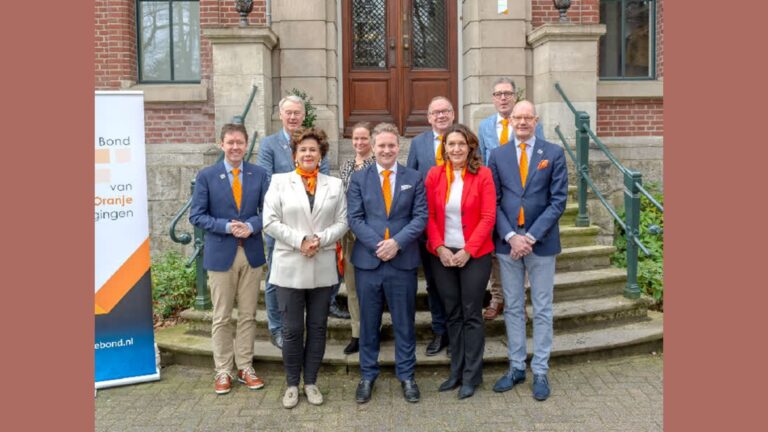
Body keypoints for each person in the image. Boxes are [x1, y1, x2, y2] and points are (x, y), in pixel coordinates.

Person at [262, 127, 348, 409]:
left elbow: (343, 222)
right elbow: (270, 221)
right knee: (291, 329)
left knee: (318, 327)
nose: (309, 154)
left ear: (321, 154)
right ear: (295, 155)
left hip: (322, 265)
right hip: (289, 265)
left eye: (314, 150)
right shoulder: (279, 181)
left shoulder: (334, 185)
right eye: (303, 150)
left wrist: (319, 240)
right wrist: (300, 240)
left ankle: (310, 382)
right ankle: (290, 384)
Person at [488, 101, 568, 401]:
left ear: (536, 120)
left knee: (543, 307)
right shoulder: (497, 155)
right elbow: (492, 201)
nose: (521, 122)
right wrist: (511, 236)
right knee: (512, 306)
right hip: (508, 244)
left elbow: (557, 201)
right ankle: (517, 366)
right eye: (517, 117)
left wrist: (530, 236)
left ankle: (541, 369)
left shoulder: (554, 153)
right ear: (510, 122)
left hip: (542, 244)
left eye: (527, 117)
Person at [347, 122, 427, 404]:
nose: (386, 150)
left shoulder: (413, 177)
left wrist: (397, 243)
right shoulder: (360, 178)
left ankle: (407, 375)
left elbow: (420, 217)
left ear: (398, 147)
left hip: (402, 261)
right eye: (381, 145)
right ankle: (368, 375)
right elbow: (354, 218)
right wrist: (378, 245)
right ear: (372, 145)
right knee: (369, 324)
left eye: (391, 145)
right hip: (368, 262)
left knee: (404, 322)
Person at [189, 123, 270, 395]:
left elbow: (268, 211)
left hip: (251, 252)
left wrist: (252, 226)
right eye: (230, 142)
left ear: (247, 145)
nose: (235, 147)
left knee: (248, 315)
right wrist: (226, 226)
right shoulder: (206, 176)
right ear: (221, 144)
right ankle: (223, 369)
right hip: (221, 253)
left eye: (240, 142)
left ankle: (245, 367)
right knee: (222, 316)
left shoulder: (259, 174)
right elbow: (196, 215)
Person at [424, 124, 496, 400]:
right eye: (451, 144)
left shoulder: (483, 175)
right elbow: (428, 215)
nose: (456, 149)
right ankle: (455, 371)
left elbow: (488, 217)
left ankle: (472, 375)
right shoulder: (434, 175)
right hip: (442, 253)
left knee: (471, 314)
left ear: (470, 148)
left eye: (461, 144)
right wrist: (440, 247)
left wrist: (468, 249)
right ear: (444, 148)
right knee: (451, 312)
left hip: (474, 254)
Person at [256, 95, 330, 350]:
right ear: (280, 114)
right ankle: (278, 328)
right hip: (282, 223)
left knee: (319, 275)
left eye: (297, 112)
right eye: (288, 112)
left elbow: (325, 177)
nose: (292, 117)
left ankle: (311, 323)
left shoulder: (316, 143)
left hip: (313, 222)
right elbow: (267, 181)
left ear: (303, 115)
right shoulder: (269, 144)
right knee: (275, 278)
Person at [477, 77, 544, 320]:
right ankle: (497, 299)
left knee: (524, 248)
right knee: (497, 252)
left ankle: (520, 302)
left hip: (524, 199)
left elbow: (541, 152)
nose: (503, 97)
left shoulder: (532, 123)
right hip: (495, 198)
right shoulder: (484, 126)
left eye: (507, 93)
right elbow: (481, 159)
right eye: (498, 94)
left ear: (515, 97)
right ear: (493, 99)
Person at [405, 96, 453, 356]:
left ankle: (456, 332)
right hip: (428, 225)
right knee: (434, 282)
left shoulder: (463, 140)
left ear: (453, 114)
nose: (441, 116)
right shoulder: (419, 143)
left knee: (455, 283)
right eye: (436, 112)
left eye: (445, 111)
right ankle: (440, 331)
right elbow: (410, 178)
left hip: (458, 224)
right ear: (429, 117)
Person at [338, 122, 376, 355]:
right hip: (349, 236)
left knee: (370, 288)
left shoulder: (378, 164)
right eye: (356, 139)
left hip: (371, 235)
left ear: (372, 139)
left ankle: (373, 331)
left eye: (364, 138)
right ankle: (357, 334)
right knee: (351, 287)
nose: (360, 143)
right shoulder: (347, 166)